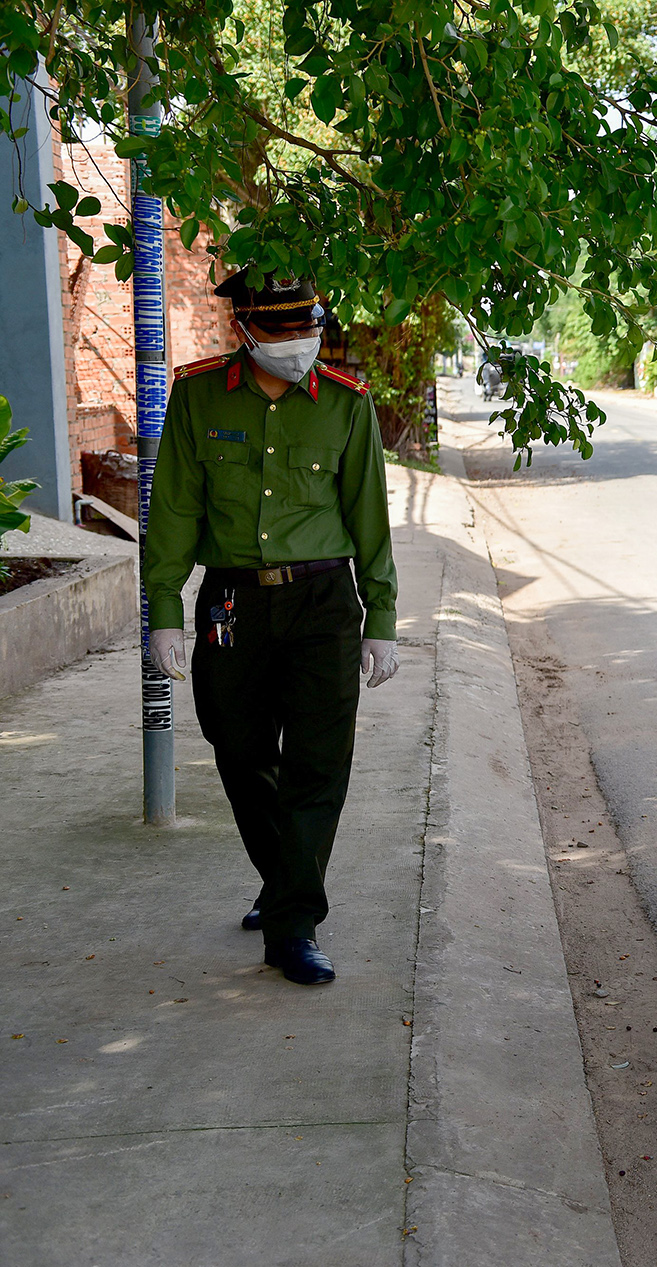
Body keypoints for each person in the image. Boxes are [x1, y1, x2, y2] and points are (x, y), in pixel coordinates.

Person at [145, 272, 400, 986]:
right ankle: (286, 875)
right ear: (246, 330)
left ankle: (293, 923)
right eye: (284, 333)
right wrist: (162, 610)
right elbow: (171, 512)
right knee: (236, 744)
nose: (300, 346)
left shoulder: (346, 406)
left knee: (321, 761)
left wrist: (382, 615)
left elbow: (369, 518)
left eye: (309, 330)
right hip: (232, 605)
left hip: (323, 602)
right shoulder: (198, 397)